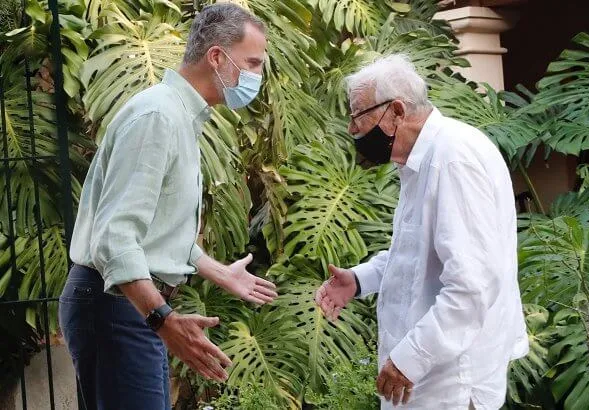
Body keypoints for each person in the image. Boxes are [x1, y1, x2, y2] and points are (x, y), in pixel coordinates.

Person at [58, 4, 277, 410]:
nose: (256, 77)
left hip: (128, 307)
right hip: (118, 306)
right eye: (252, 63)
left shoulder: (178, 116)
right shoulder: (158, 116)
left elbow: (152, 229)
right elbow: (116, 236)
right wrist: (163, 320)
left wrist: (215, 270)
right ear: (216, 56)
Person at [315, 54, 529, 410]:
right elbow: (418, 256)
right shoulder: (423, 160)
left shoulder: (452, 159)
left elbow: (470, 285)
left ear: (396, 111)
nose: (353, 129)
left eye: (359, 116)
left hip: (452, 384)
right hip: (432, 380)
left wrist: (408, 360)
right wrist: (358, 278)